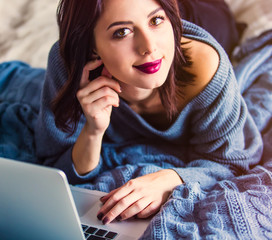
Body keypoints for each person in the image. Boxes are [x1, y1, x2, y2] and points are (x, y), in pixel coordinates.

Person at [35, 0, 263, 226]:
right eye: (122, 32)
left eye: (156, 20)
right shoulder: (68, 65)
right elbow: (56, 168)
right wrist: (93, 132)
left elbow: (230, 162)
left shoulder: (208, 66)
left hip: (207, 14)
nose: (149, 47)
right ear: (92, 45)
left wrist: (167, 180)